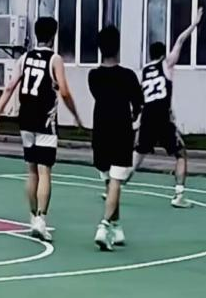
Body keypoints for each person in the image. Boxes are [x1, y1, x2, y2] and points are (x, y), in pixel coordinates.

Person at [0, 17, 82, 243]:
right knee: (45, 171)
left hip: (26, 118)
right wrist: (76, 114)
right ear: (53, 36)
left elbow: (10, 86)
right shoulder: (55, 59)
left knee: (31, 171)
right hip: (45, 120)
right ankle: (41, 219)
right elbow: (65, 91)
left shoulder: (25, 58)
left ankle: (32, 218)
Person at [132, 8, 202, 208]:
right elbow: (180, 41)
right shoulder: (166, 64)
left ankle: (113, 185)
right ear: (163, 55)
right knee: (181, 154)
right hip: (162, 118)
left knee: (136, 159)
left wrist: (136, 121)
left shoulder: (144, 71)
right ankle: (179, 195)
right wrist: (194, 24)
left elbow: (140, 98)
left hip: (147, 117)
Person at [88, 25, 143, 251]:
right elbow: (138, 103)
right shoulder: (128, 76)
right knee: (116, 181)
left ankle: (117, 227)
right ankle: (103, 226)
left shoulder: (93, 76)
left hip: (100, 132)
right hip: (121, 132)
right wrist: (135, 117)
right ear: (118, 48)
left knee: (111, 183)